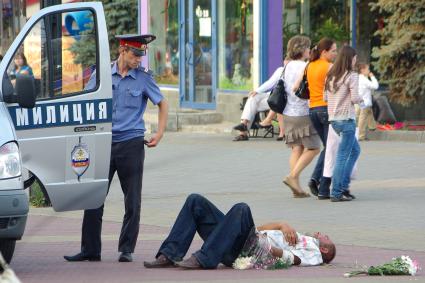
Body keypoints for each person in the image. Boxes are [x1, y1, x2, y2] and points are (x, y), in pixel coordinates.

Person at [64, 34, 169, 262]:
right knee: (93, 197)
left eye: (141, 55)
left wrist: (159, 133)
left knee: (132, 199)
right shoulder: (101, 75)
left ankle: (126, 249)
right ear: (122, 50)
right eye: (135, 54)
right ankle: (90, 249)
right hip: (103, 142)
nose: (138, 60)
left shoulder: (143, 79)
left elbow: (162, 103)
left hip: (131, 143)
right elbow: (85, 102)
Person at [143, 194, 336, 269]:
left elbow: (294, 260)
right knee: (195, 201)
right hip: (238, 240)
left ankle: (204, 259)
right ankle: (169, 255)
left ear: (325, 250)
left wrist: (269, 248)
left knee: (242, 208)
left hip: (249, 251)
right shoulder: (300, 236)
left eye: (325, 237)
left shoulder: (315, 254)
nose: (321, 233)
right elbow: (257, 228)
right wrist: (281, 224)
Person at [280, 36, 321, 198]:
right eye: (308, 48)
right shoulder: (306, 66)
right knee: (314, 148)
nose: (309, 51)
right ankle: (293, 176)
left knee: (297, 148)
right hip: (303, 112)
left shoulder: (287, 66)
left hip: (288, 112)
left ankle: (295, 186)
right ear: (303, 50)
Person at [325, 46, 362, 202]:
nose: (355, 61)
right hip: (347, 120)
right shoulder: (351, 76)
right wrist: (363, 100)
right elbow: (354, 98)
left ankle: (343, 185)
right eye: (354, 58)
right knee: (342, 157)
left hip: (334, 120)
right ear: (350, 59)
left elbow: (325, 98)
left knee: (355, 150)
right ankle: (337, 192)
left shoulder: (331, 75)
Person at [302, 38, 337, 199]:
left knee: (327, 146)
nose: (335, 54)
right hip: (326, 108)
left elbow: (299, 86)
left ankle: (317, 180)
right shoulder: (329, 67)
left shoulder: (309, 66)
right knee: (330, 147)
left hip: (313, 110)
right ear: (324, 52)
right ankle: (317, 180)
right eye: (333, 51)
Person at [232, 58, 290, 141]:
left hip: (283, 99)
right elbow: (270, 83)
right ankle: (244, 124)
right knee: (253, 97)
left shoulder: (296, 72)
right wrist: (257, 91)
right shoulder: (281, 70)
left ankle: (243, 133)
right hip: (273, 96)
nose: (286, 62)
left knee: (273, 101)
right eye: (285, 60)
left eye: (289, 60)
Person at [356, 63, 378, 141]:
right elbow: (375, 86)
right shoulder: (364, 79)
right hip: (364, 101)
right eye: (368, 69)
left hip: (358, 101)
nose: (369, 71)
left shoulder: (357, 78)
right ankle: (360, 136)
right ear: (362, 70)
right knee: (363, 118)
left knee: (369, 112)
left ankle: (372, 126)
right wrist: (372, 77)